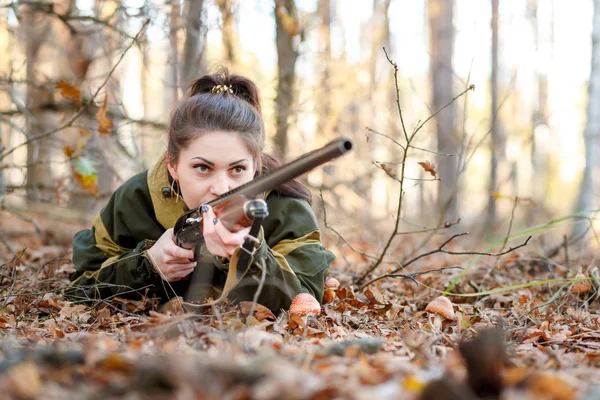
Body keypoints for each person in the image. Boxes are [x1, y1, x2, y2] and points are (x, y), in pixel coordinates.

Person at [66, 68, 335, 314]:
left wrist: (251, 254)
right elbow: (79, 288)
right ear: (172, 165)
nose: (221, 187)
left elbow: (306, 300)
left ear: (256, 167)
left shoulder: (284, 206)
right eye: (203, 168)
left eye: (237, 169)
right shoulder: (136, 199)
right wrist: (148, 265)